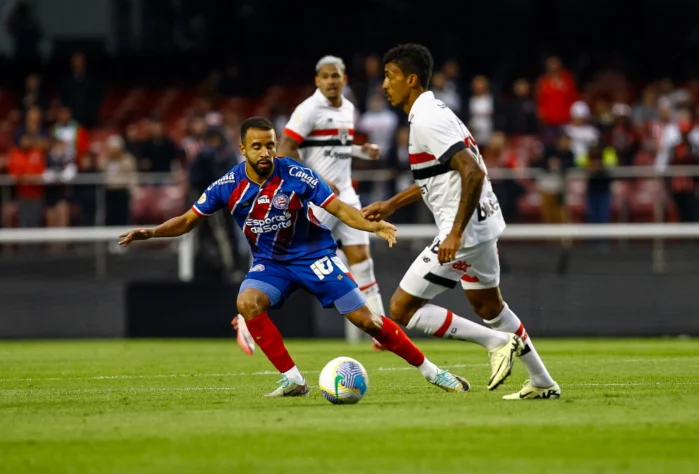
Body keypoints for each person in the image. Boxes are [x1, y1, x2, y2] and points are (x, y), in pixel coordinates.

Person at [118, 117, 474, 397]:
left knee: (369, 322)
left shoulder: (296, 173)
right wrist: (150, 232)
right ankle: (293, 381)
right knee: (247, 302)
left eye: (270, 145)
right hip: (271, 265)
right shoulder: (228, 185)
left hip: (314, 255)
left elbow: (339, 208)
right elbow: (185, 221)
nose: (265, 152)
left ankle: (433, 372)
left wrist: (373, 227)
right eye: (257, 146)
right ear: (242, 149)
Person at [363, 44, 561, 399]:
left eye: (390, 77)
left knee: (401, 308)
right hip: (482, 225)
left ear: (411, 80)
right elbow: (439, 175)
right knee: (490, 307)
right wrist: (392, 204)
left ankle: (497, 343)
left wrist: (454, 233)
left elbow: (472, 171)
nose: (384, 85)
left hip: (465, 231)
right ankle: (543, 382)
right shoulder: (436, 112)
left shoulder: (427, 120)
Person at [235, 55, 386, 350]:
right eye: (326, 76)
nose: (331, 81)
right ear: (317, 81)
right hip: (316, 198)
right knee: (286, 258)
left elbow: (331, 146)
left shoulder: (349, 108)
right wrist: (314, 179)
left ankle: (379, 331)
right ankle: (244, 316)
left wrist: (361, 151)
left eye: (336, 76)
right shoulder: (308, 109)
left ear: (345, 79)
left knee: (362, 261)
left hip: (345, 193)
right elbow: (287, 149)